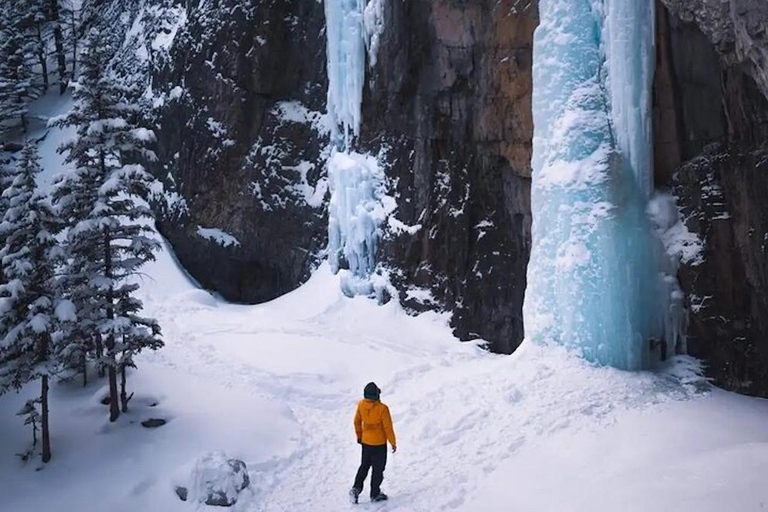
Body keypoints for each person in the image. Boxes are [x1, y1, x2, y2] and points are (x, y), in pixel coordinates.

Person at [349, 382, 397, 504]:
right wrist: (393, 442)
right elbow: (388, 428)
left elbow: (356, 422)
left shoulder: (361, 405)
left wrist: (359, 436)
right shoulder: (383, 409)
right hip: (379, 444)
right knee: (378, 469)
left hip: (366, 443)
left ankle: (356, 489)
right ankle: (375, 494)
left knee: (364, 466)